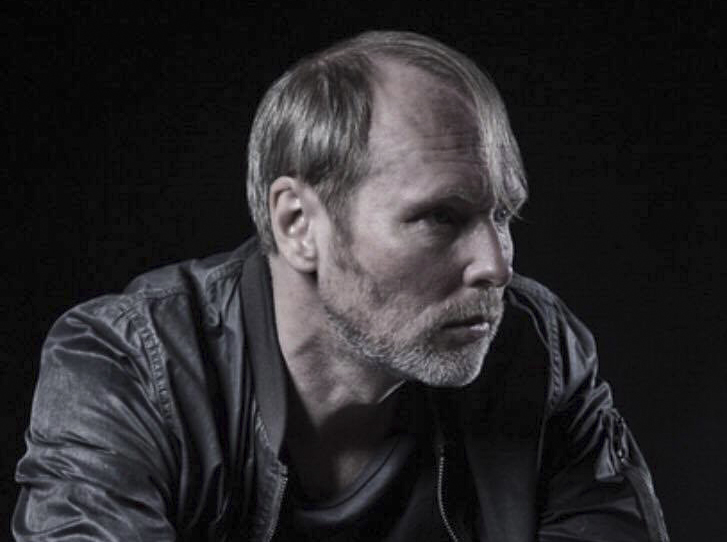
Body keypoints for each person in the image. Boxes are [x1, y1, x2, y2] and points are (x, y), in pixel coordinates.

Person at [13, 31, 669, 541]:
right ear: (298, 224)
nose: (495, 265)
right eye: (440, 217)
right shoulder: (128, 365)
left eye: (502, 215)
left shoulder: (536, 350)